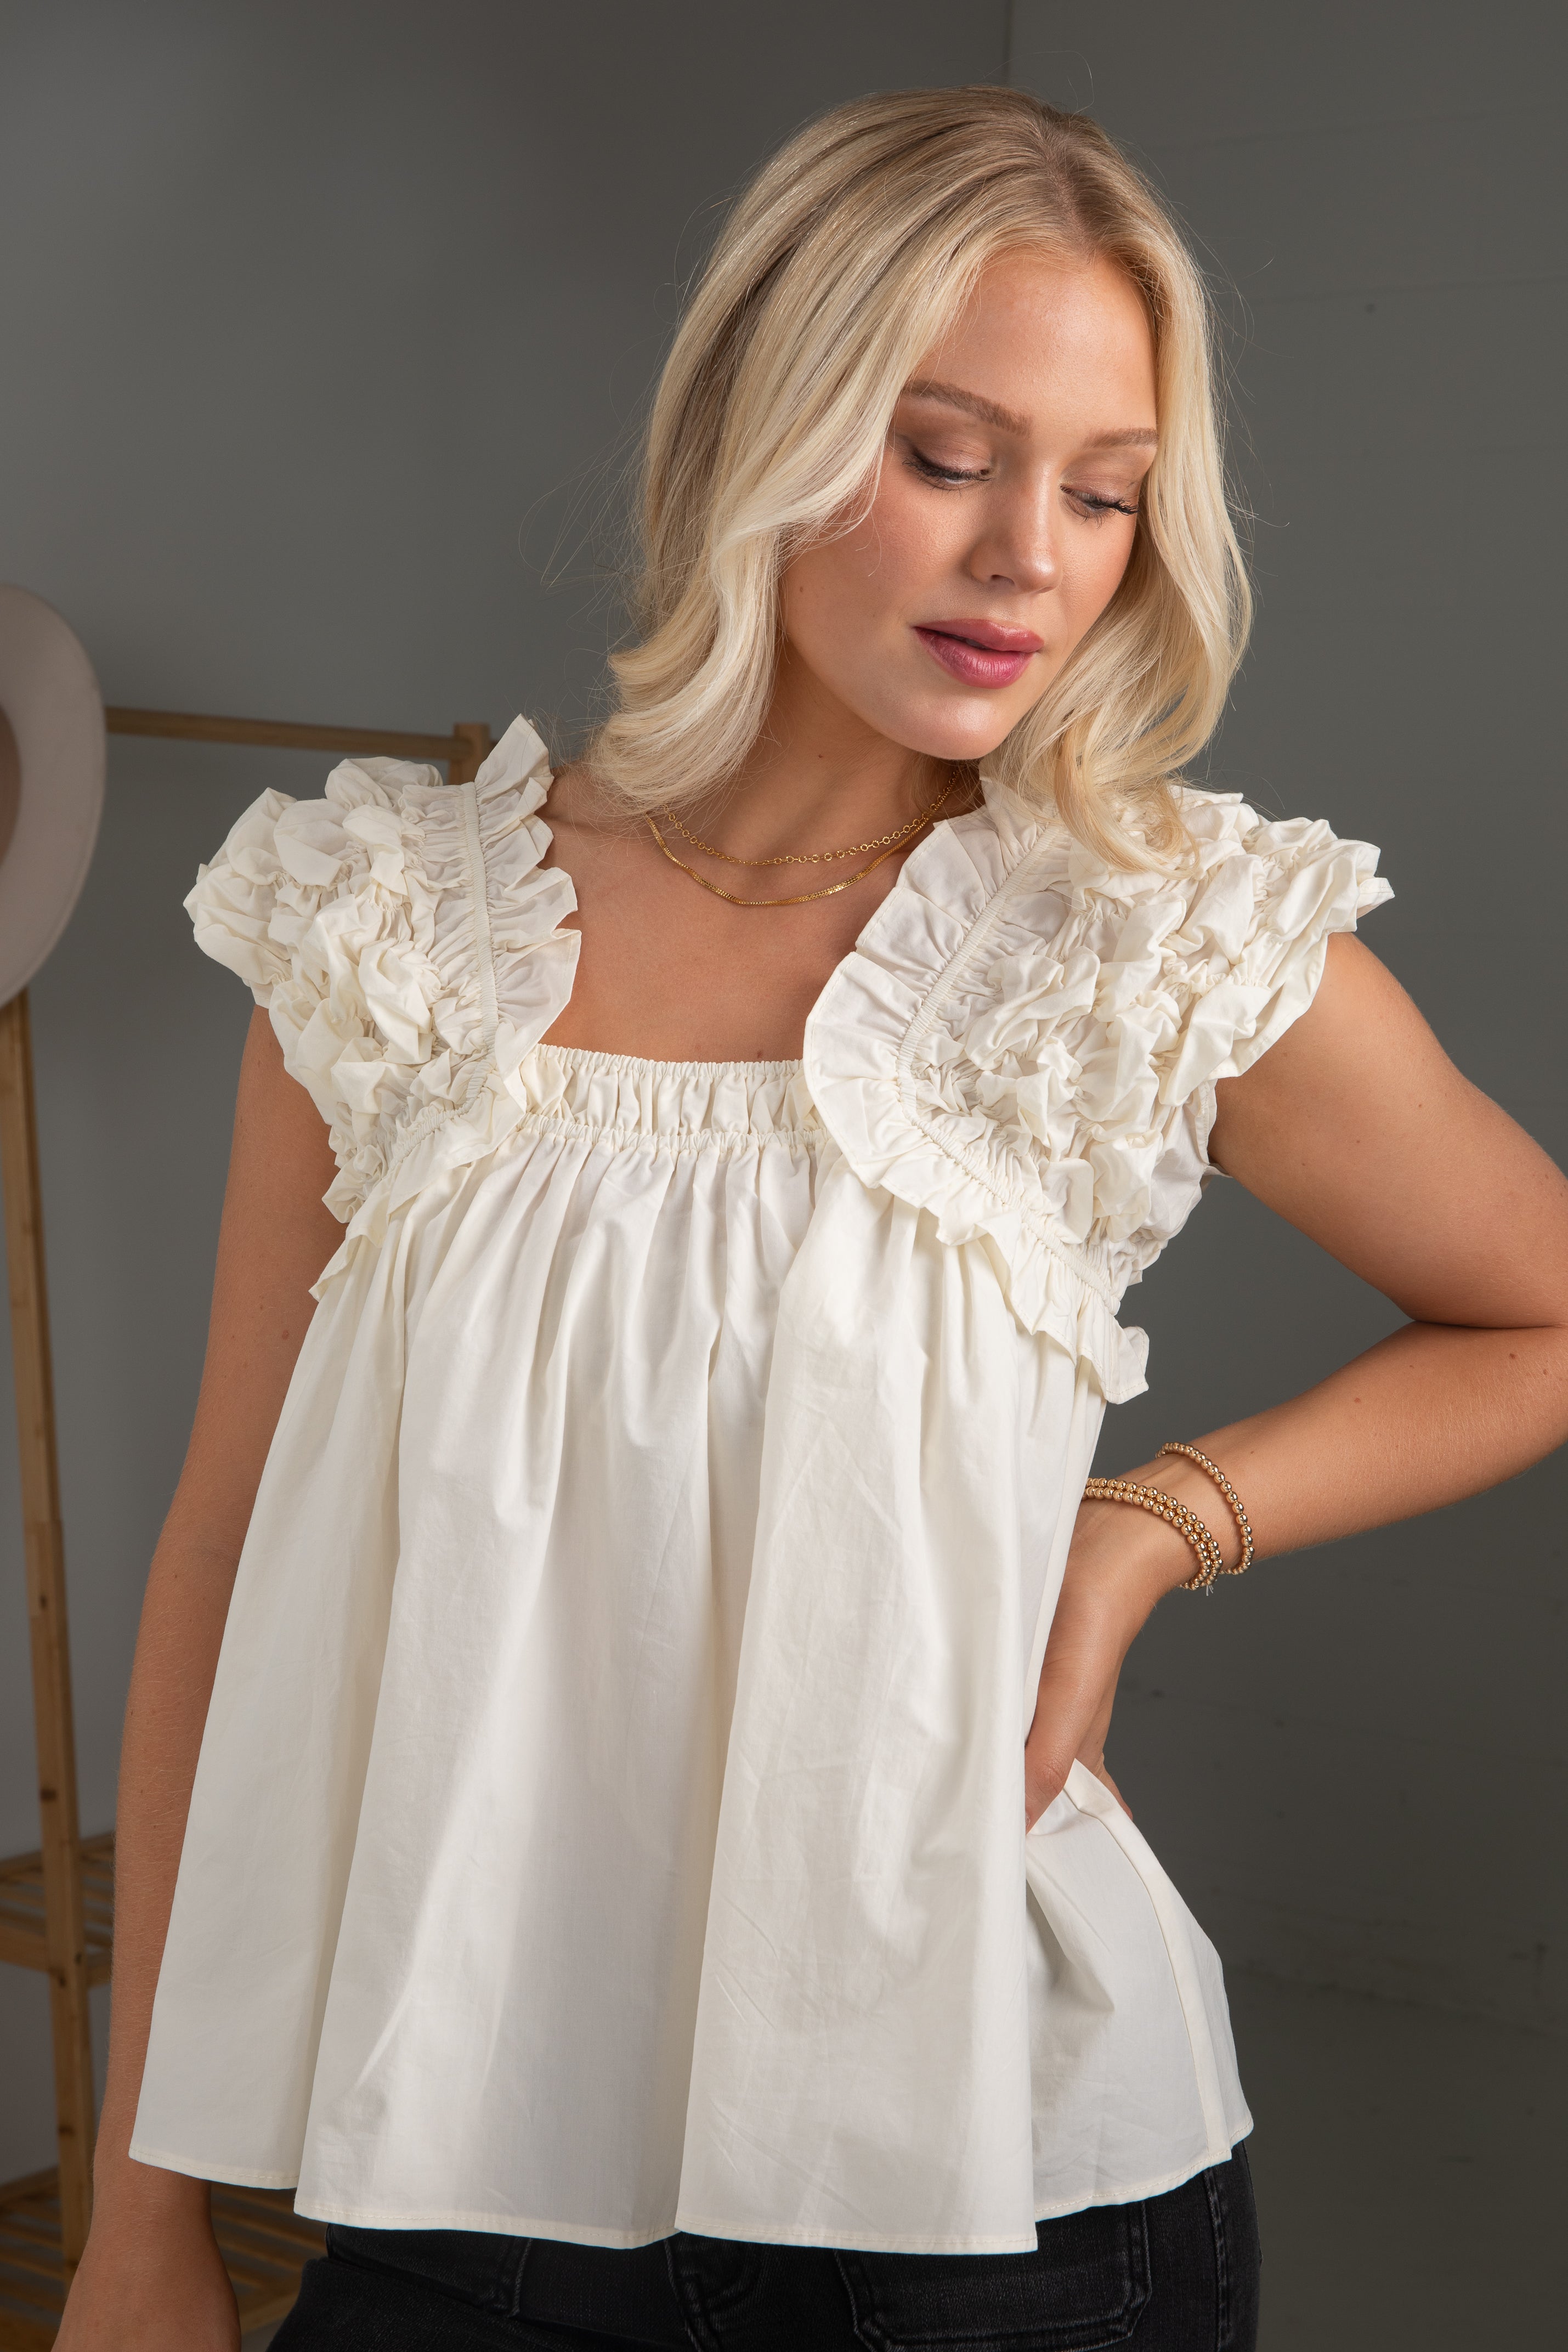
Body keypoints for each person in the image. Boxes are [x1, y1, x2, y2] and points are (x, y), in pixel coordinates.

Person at [60, 86, 1568, 2352]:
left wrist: (1144, 1526)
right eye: (948, 454)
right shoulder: (385, 928)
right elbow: (222, 1567)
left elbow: (1538, 1309)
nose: (1029, 559)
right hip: (455, 2176)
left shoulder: (1147, 943)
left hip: (1008, 2205)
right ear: (761, 428)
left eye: (1102, 490)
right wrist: (138, 2214)